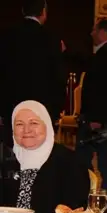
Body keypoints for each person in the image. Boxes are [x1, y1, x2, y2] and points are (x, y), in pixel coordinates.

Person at [0, 101, 89, 213]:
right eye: (19, 124)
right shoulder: (6, 159)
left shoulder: (69, 160)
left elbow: (77, 206)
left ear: (46, 125)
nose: (27, 130)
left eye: (34, 123)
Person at [75, 18, 107, 213]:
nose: (91, 34)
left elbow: (104, 90)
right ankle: (94, 201)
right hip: (101, 119)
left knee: (100, 164)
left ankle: (103, 204)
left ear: (104, 32)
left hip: (99, 121)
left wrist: (96, 119)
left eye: (94, 30)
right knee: (97, 163)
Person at [0, 0, 66, 143]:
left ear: (23, 11)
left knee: (13, 148)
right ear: (44, 13)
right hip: (42, 107)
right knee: (38, 149)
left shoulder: (7, 36)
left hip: (12, 106)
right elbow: (58, 77)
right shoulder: (51, 39)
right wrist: (57, 109)